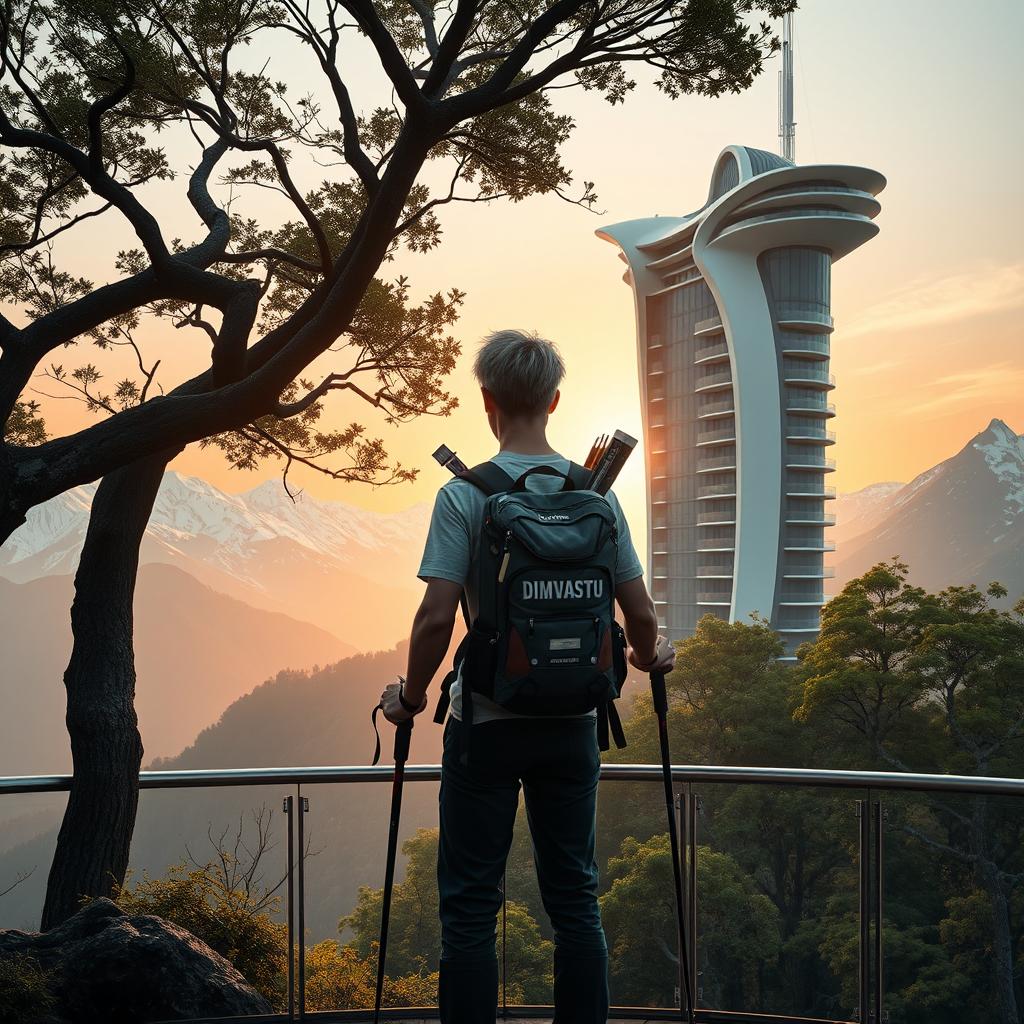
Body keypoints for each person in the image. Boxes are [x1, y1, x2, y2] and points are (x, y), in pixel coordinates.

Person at [379, 328, 676, 1023]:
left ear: (487, 400)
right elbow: (640, 614)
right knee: (576, 899)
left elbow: (434, 619)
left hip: (486, 725)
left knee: (472, 906)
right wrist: (640, 655)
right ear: (553, 399)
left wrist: (412, 699)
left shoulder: (466, 497)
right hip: (575, 726)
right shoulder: (595, 497)